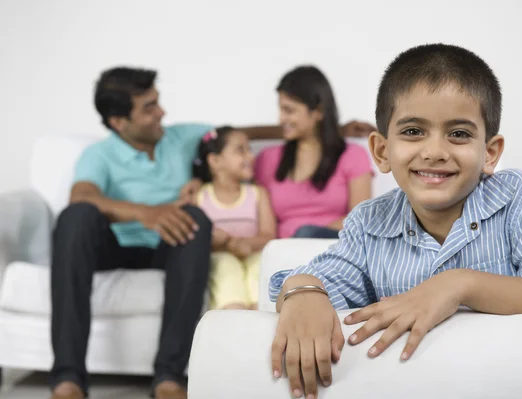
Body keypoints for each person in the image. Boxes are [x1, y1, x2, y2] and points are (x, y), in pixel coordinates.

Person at [268, 44, 522, 399]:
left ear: (490, 153)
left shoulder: (515, 196)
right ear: (382, 151)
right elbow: (322, 281)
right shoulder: (368, 223)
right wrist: (302, 291)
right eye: (413, 131)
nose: (435, 151)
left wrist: (459, 285)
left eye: (458, 134)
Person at [49, 66, 373, 399]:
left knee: (194, 217)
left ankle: (168, 376)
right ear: (119, 122)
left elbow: (240, 133)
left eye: (157, 102)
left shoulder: (180, 137)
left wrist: (330, 128)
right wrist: (147, 213)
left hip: (172, 245)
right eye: (149, 108)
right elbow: (82, 195)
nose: (162, 112)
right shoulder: (98, 156)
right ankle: (67, 377)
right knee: (76, 216)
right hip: (115, 245)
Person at [254, 66, 373, 239]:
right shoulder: (267, 159)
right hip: (283, 255)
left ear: (318, 112)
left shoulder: (352, 155)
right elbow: (264, 229)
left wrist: (309, 237)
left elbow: (361, 219)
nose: (281, 118)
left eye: (289, 110)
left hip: (335, 250)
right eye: (280, 109)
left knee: (306, 233)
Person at [193, 126, 276, 310]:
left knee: (258, 266)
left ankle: (261, 313)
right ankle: (233, 311)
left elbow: (268, 235)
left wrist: (246, 244)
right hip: (220, 256)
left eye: (249, 150)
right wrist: (220, 241)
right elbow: (193, 238)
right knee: (225, 265)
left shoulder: (257, 193)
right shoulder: (200, 196)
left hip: (252, 254)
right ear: (215, 160)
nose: (250, 156)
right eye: (241, 150)